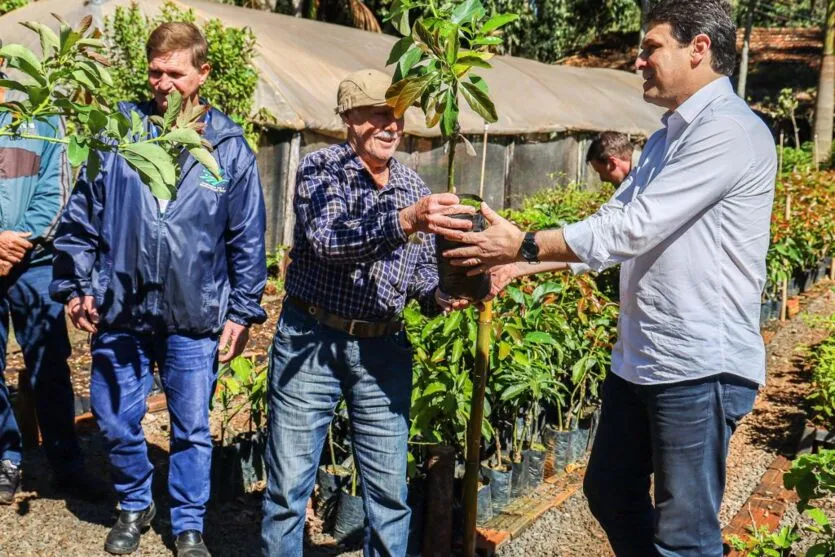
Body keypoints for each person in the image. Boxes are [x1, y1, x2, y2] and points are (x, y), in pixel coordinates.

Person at [431, 1, 777, 555]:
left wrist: (521, 241)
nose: (637, 62)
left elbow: (634, 229)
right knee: (611, 492)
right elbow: (610, 227)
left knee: (684, 535)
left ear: (700, 48)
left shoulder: (729, 132)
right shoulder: (667, 137)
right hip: (641, 360)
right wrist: (518, 264)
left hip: (697, 366)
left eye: (650, 48)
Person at [50, 23, 267, 557]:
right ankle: (134, 502)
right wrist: (77, 284)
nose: (163, 82)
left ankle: (189, 522)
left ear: (202, 73)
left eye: (175, 72)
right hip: (121, 306)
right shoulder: (118, 134)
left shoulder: (229, 147)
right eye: (155, 72)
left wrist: (241, 310)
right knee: (113, 416)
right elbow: (81, 219)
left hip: (194, 314)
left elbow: (246, 236)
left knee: (191, 427)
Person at [260, 68, 473, 557]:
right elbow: (331, 241)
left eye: (397, 113)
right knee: (288, 490)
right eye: (379, 111)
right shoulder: (321, 169)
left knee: (389, 495)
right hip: (312, 341)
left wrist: (440, 294)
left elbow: (417, 273)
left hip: (383, 349)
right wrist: (405, 220)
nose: (391, 123)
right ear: (349, 117)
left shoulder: (411, 185)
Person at [0, 44, 102, 506]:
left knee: (49, 366)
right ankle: (7, 458)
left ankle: (66, 463)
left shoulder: (41, 116)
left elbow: (57, 192)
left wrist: (13, 241)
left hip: (34, 262)